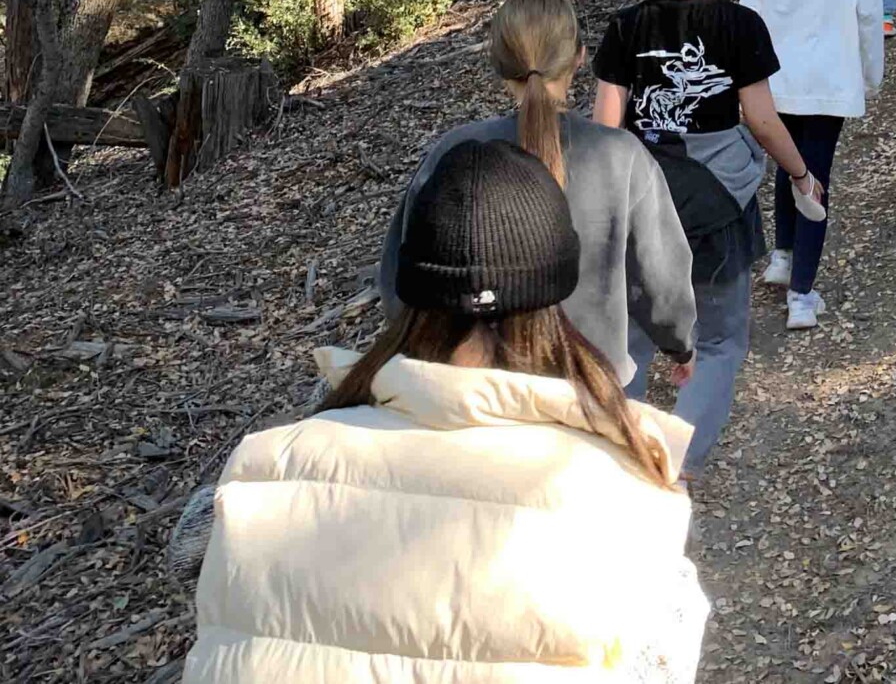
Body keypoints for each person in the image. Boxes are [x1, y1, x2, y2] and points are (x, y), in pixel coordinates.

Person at [185, 138, 708, 681]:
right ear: (553, 294)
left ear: (411, 287)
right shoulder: (632, 498)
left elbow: (197, 573)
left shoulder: (260, 469)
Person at [593, 0, 824, 477]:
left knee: (635, 343)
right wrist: (801, 174)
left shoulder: (626, 28)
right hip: (718, 208)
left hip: (641, 205)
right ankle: (678, 464)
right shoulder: (739, 25)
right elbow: (763, 121)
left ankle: (626, 461)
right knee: (720, 342)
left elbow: (605, 132)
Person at [380, 0, 697, 391]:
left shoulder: (455, 152)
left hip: (470, 393)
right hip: (591, 389)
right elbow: (660, 276)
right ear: (579, 57)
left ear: (498, 63)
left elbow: (400, 280)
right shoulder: (621, 156)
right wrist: (681, 344)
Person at [741, 0, 885, 329]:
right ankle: (802, 294)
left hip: (776, 82)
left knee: (790, 165)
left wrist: (745, 80)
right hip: (830, 81)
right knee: (814, 177)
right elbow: (870, 16)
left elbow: (749, 11)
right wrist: (871, 74)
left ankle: (783, 257)